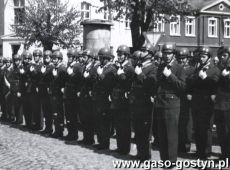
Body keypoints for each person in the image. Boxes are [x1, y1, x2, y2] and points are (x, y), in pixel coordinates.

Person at [155, 43, 185, 165]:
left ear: (173, 54)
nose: (167, 56)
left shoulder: (179, 68)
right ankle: (164, 159)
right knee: (161, 134)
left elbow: (182, 87)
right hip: (160, 103)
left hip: (172, 104)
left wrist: (170, 76)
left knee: (171, 134)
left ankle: (171, 161)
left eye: (169, 53)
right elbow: (157, 83)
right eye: (165, 53)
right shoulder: (160, 66)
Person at [188, 46, 220, 159]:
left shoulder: (214, 69)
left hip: (207, 103)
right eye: (200, 56)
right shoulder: (198, 68)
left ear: (209, 58)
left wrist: (205, 78)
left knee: (206, 128)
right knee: (197, 127)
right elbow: (192, 82)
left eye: (204, 56)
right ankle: (199, 150)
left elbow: (215, 85)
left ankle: (206, 152)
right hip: (196, 102)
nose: (201, 59)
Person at [129, 43, 157, 161]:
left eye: (144, 50)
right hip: (137, 101)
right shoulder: (139, 65)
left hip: (145, 102)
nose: (141, 53)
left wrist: (140, 74)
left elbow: (150, 84)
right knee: (138, 129)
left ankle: (146, 155)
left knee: (145, 131)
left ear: (150, 54)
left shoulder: (153, 68)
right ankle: (140, 153)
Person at [110, 45, 134, 155]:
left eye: (120, 55)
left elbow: (129, 84)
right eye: (118, 54)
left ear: (126, 56)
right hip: (116, 98)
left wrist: (121, 75)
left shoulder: (130, 68)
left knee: (125, 125)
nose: (118, 56)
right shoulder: (117, 66)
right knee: (118, 124)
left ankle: (125, 148)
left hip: (124, 100)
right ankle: (120, 146)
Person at [93, 47, 117, 150]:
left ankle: (105, 143)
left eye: (102, 58)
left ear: (107, 58)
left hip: (106, 98)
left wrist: (100, 74)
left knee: (105, 122)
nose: (100, 60)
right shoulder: (101, 67)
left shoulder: (111, 68)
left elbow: (109, 83)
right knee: (99, 121)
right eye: (100, 58)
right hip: (99, 97)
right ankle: (100, 141)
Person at [79, 49, 98, 145]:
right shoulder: (84, 67)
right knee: (84, 117)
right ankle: (86, 137)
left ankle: (90, 139)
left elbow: (94, 81)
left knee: (89, 118)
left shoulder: (94, 68)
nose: (83, 58)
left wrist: (88, 78)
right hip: (83, 95)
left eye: (84, 57)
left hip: (89, 96)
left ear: (90, 58)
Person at [176, 48, 194, 153]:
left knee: (187, 123)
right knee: (178, 123)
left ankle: (186, 144)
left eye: (183, 58)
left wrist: (190, 93)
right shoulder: (176, 68)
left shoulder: (191, 69)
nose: (181, 60)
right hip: (178, 98)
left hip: (187, 99)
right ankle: (179, 144)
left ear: (187, 59)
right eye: (179, 58)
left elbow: (192, 84)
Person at [214, 46, 230, 160]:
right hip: (219, 104)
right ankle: (224, 154)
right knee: (221, 131)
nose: (222, 58)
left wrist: (228, 76)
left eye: (224, 56)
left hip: (228, 104)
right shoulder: (218, 67)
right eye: (220, 56)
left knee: (227, 130)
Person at [64, 48, 82, 141]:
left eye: (71, 56)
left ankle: (74, 134)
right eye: (68, 56)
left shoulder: (78, 66)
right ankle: (70, 132)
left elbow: (79, 81)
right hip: (68, 92)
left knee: (73, 115)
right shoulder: (69, 65)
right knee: (68, 114)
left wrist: (71, 75)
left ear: (75, 57)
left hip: (74, 93)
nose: (69, 58)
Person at [49, 51, 67, 138]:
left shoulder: (62, 68)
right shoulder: (54, 68)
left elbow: (62, 83)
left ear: (59, 59)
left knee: (59, 113)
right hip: (54, 94)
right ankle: (57, 130)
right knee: (55, 113)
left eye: (55, 58)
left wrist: (55, 77)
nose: (54, 60)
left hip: (59, 95)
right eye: (53, 58)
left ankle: (60, 131)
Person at [38, 50, 54, 135]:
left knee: (49, 111)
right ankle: (47, 127)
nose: (46, 58)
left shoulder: (51, 67)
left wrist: (43, 73)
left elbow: (49, 78)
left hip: (48, 91)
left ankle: (50, 128)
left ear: (51, 58)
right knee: (45, 110)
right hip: (42, 91)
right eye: (45, 57)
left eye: (48, 57)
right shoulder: (43, 66)